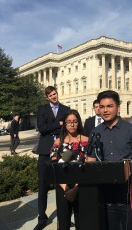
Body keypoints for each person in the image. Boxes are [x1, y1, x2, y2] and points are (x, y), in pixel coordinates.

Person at [87, 90, 132, 230]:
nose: (105, 110)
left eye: (110, 106)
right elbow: (90, 161)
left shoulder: (131, 130)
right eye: (102, 107)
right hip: (105, 193)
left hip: (128, 191)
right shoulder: (95, 132)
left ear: (118, 108)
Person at [34, 86, 70, 230]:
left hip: (61, 149)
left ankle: (64, 216)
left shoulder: (66, 109)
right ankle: (42, 218)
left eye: (54, 94)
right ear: (47, 97)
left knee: (63, 184)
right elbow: (41, 128)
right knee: (43, 185)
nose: (53, 97)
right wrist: (58, 124)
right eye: (50, 95)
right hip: (45, 150)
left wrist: (55, 127)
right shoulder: (42, 109)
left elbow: (67, 127)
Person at [50, 109, 88, 230]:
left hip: (82, 185)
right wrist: (66, 189)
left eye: (75, 121)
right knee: (63, 223)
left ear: (79, 123)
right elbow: (54, 168)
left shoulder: (87, 141)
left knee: (82, 222)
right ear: (65, 124)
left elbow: (89, 167)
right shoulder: (57, 143)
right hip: (63, 186)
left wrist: (76, 188)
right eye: (69, 122)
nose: (72, 124)